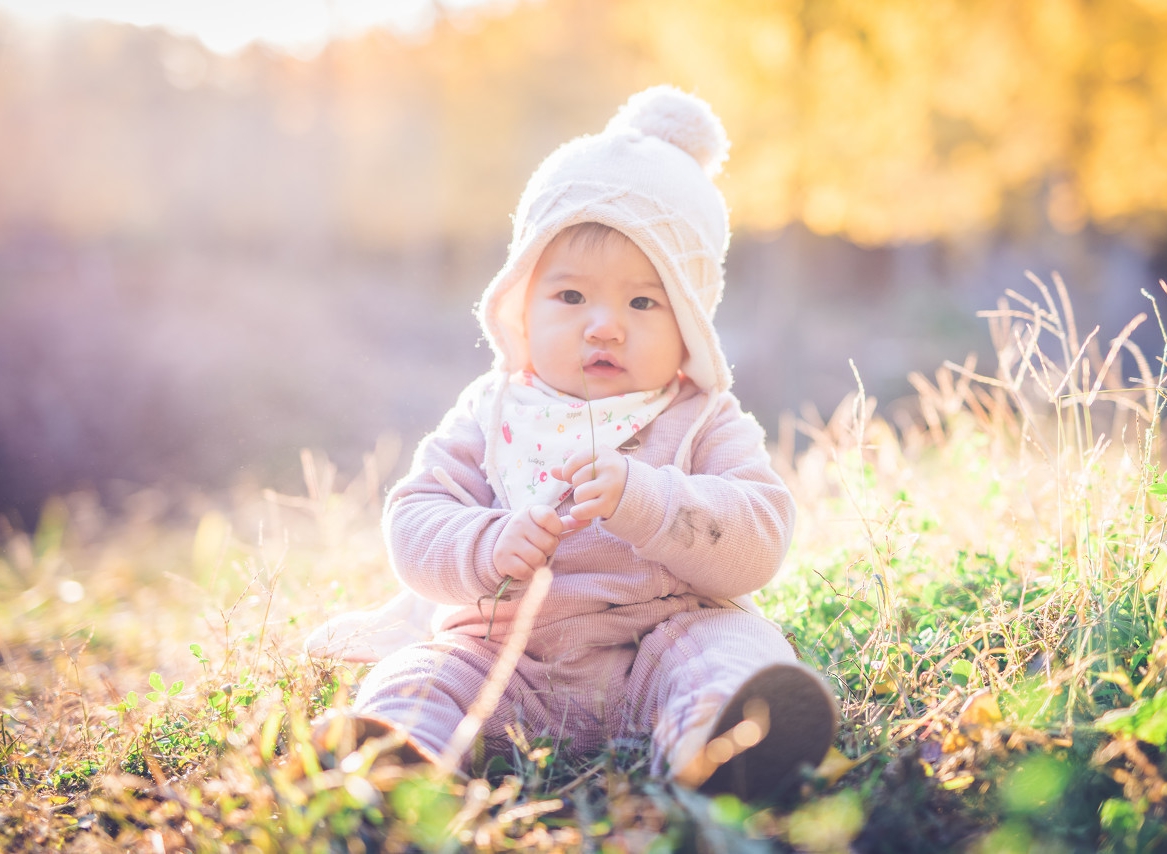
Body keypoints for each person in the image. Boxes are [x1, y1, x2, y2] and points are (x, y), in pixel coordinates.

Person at [305, 86, 838, 801]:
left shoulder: (703, 417)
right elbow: (414, 518)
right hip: (501, 655)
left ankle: (724, 743)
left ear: (688, 321)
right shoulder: (491, 411)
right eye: (571, 297)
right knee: (423, 673)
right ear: (522, 304)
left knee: (733, 650)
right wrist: (486, 544)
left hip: (658, 643)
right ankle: (397, 757)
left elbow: (761, 534)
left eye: (643, 301)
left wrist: (649, 501)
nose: (604, 326)